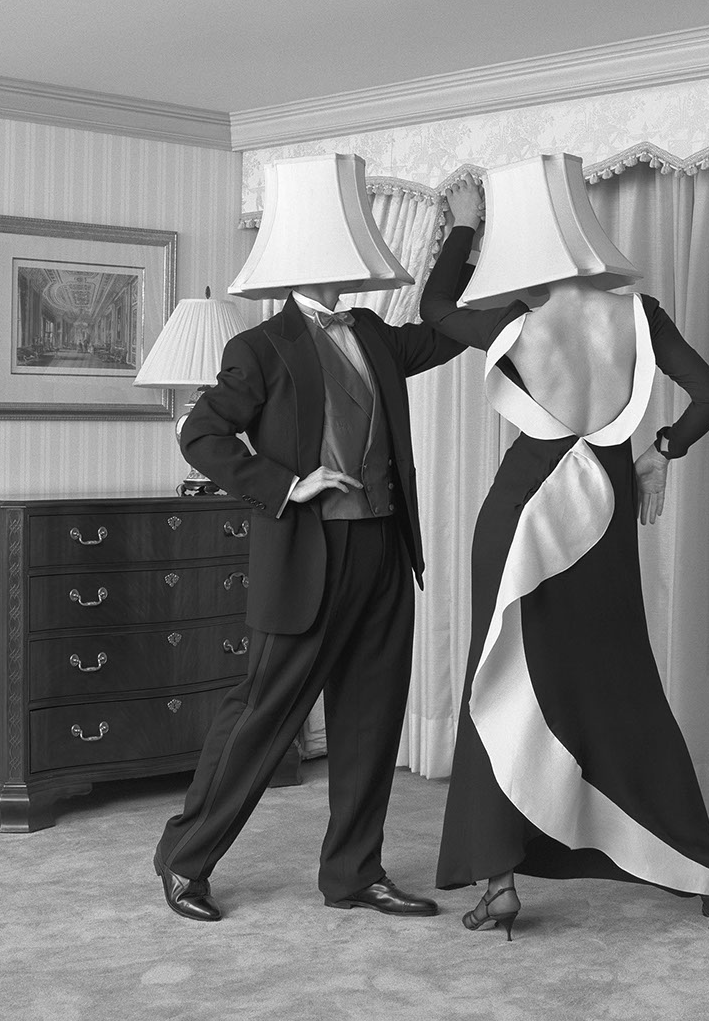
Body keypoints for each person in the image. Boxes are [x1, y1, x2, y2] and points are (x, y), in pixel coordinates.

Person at [420, 176, 709, 939]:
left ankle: (498, 880)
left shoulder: (516, 317)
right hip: (605, 503)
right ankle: (699, 871)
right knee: (620, 676)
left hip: (524, 507)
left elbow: (433, 309)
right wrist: (662, 450)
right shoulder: (639, 313)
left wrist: (462, 229)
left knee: (503, 676)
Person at [153, 224, 475, 923]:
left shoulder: (373, 333)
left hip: (384, 546)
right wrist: (286, 484)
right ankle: (184, 859)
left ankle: (354, 873)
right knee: (263, 716)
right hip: (309, 555)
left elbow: (447, 331)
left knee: (371, 717)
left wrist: (463, 232)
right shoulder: (260, 347)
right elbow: (200, 433)